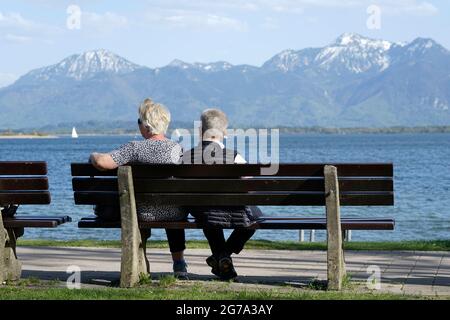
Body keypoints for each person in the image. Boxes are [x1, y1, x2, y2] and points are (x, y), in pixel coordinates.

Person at [89, 98, 188, 279]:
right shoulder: (178, 149)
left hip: (141, 213)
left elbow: (102, 162)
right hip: (175, 213)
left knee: (143, 204)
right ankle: (179, 264)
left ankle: (141, 262)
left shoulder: (134, 148)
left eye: (139, 122)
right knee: (173, 202)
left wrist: (93, 155)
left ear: (147, 126)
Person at [181, 108, 260, 280]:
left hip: (202, 212)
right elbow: (250, 186)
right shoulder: (234, 157)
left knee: (209, 214)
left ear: (201, 131)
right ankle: (223, 255)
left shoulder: (186, 157)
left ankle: (221, 257)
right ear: (224, 133)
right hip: (231, 211)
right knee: (256, 216)